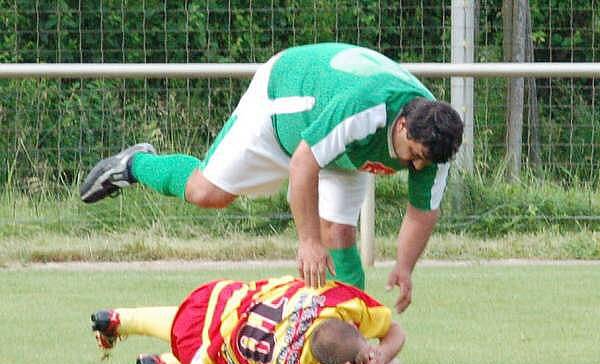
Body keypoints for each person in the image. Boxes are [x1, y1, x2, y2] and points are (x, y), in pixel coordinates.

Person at [80, 42, 464, 313]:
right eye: (412, 155)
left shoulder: (436, 144)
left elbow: (421, 212)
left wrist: (405, 267)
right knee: (207, 192)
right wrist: (308, 243)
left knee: (341, 235)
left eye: (423, 163)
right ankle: (134, 164)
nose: (415, 168)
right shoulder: (367, 109)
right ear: (402, 124)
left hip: (341, 151)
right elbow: (303, 163)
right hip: (285, 103)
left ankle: (351, 329)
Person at [91, 275, 406, 364]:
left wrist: (371, 351)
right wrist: (382, 359)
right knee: (210, 358)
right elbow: (397, 338)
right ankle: (163, 361)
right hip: (213, 347)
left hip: (225, 300)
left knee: (182, 321)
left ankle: (122, 321)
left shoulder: (339, 300)